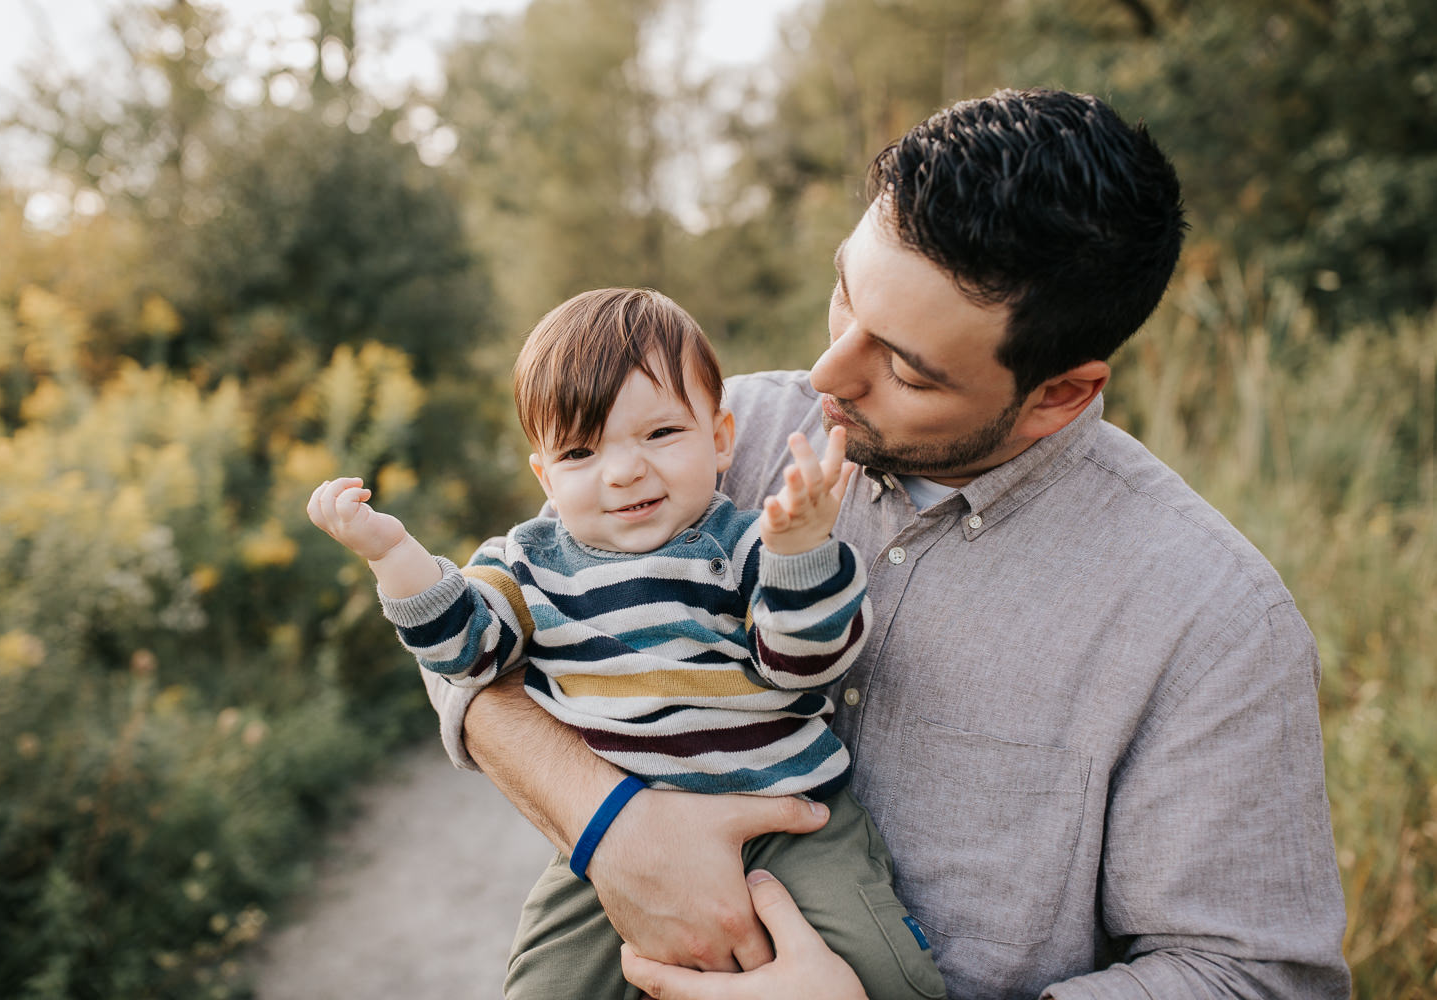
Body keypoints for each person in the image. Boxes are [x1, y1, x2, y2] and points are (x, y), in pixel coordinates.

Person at [428, 88, 1352, 999]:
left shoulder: (1216, 621)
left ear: (1060, 393)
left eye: (905, 365)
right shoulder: (711, 433)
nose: (827, 373)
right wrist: (611, 828)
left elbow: (1254, 977)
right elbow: (482, 628)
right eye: (844, 292)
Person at [307, 288, 948, 999]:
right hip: (615, 847)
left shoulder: (742, 545)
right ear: (545, 477)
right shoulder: (527, 564)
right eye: (581, 451)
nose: (623, 471)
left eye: (660, 435)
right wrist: (393, 556)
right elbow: (467, 652)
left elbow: (802, 664)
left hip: (792, 817)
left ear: (721, 438)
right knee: (544, 987)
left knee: (891, 974)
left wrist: (799, 549)